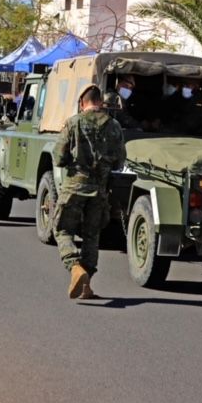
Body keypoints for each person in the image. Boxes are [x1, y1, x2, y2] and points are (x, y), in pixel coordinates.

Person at [53, 84, 126, 299]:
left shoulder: (73, 123)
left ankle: (75, 267)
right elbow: (120, 161)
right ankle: (86, 286)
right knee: (92, 236)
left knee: (63, 230)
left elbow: (58, 157)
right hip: (100, 190)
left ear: (82, 103)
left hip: (74, 186)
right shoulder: (114, 126)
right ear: (101, 102)